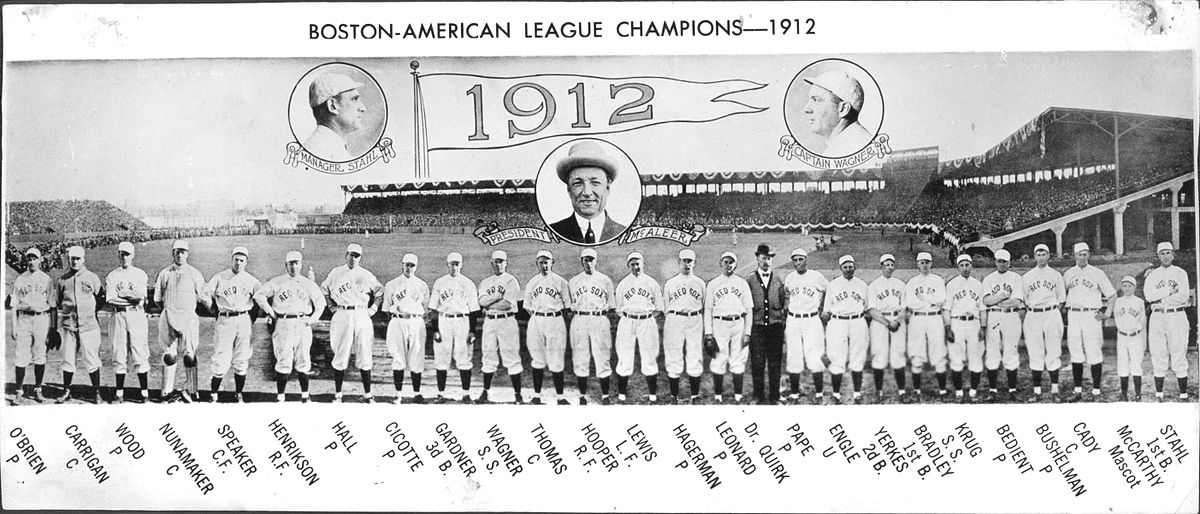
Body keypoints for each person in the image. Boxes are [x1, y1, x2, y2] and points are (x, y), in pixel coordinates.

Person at [254, 251, 326, 403]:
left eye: (296, 263)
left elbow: (321, 303)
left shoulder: (308, 283)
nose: (293, 266)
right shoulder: (277, 282)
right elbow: (259, 296)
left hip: (302, 323)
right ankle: (280, 397)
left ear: (300, 265)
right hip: (283, 323)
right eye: (290, 263)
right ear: (286, 265)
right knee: (283, 359)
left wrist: (312, 319)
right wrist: (271, 312)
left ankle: (305, 396)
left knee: (303, 358)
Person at [320, 243, 383, 403]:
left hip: (362, 313)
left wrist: (373, 309)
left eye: (357, 256)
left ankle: (368, 395)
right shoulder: (336, 273)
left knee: (364, 352)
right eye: (351, 255)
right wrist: (331, 306)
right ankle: (338, 394)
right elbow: (324, 290)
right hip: (342, 313)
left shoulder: (366, 274)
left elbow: (379, 292)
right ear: (345, 255)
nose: (353, 258)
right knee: (341, 353)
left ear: (360, 258)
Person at [154, 240, 211, 403]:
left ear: (187, 254)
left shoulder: (195, 273)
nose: (180, 255)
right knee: (169, 356)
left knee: (190, 356)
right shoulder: (164, 273)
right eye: (177, 252)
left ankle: (193, 391)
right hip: (169, 317)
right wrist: (171, 310)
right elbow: (157, 300)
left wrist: (204, 302)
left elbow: (204, 296)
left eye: (183, 252)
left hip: (189, 318)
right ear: (173, 253)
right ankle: (166, 391)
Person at [206, 246, 261, 403]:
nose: (238, 263)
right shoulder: (220, 277)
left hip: (243, 319)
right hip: (225, 319)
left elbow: (259, 299)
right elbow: (205, 295)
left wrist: (251, 319)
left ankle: (239, 394)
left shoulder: (251, 280)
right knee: (221, 357)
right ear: (231, 260)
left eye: (241, 260)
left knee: (242, 357)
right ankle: (214, 394)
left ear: (246, 262)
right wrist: (214, 311)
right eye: (236, 260)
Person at [547, 140, 629, 245]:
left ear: (607, 188)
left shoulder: (624, 234)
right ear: (568, 190)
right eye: (578, 183)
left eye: (595, 183)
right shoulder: (552, 233)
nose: (587, 192)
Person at [1062, 242, 1115, 402]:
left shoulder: (1097, 273)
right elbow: (1061, 296)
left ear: (1089, 255)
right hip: (1074, 315)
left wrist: (1107, 313)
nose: (1082, 257)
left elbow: (1112, 295)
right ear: (1075, 256)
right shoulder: (1068, 274)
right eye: (1080, 254)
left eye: (1085, 254)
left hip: (1091, 315)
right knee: (1076, 352)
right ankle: (1077, 390)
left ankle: (1096, 391)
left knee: (1093, 352)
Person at [53, 246, 105, 403]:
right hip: (69, 325)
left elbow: (101, 297)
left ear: (83, 260)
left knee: (91, 358)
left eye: (78, 258)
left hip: (89, 325)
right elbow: (58, 302)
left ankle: (96, 391)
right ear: (69, 259)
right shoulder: (63, 280)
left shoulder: (92, 277)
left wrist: (91, 311)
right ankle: (66, 390)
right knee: (68, 358)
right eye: (72, 258)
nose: (75, 261)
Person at [428, 252, 480, 403]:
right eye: (452, 263)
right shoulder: (440, 282)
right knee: (442, 357)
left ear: (461, 265)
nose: (455, 266)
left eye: (457, 264)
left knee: (464, 357)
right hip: (444, 320)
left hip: (463, 321)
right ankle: (441, 394)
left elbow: (474, 310)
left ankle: (466, 394)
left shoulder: (468, 283)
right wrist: (435, 329)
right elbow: (433, 308)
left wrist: (472, 331)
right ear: (447, 265)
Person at [613, 251, 664, 403]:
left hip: (647, 321)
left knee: (649, 355)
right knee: (624, 356)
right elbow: (618, 308)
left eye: (638, 264)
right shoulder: (623, 284)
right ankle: (621, 394)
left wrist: (645, 317)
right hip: (627, 321)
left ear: (643, 264)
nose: (636, 267)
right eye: (632, 264)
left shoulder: (651, 283)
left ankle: (653, 394)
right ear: (628, 266)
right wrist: (632, 317)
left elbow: (658, 307)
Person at [704, 251, 753, 403]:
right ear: (721, 264)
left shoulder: (742, 283)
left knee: (738, 358)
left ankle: (737, 394)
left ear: (735, 264)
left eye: (731, 262)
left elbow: (749, 309)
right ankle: (718, 395)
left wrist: (748, 332)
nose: (728, 265)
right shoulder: (713, 283)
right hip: (719, 323)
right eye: (725, 262)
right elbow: (708, 310)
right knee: (719, 357)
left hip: (739, 323)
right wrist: (708, 333)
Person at [524, 250, 572, 404]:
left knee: (556, 358)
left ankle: (560, 397)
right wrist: (538, 316)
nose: (544, 265)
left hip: (555, 319)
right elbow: (527, 306)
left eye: (547, 262)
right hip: (537, 319)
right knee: (537, 358)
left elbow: (567, 306)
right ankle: (537, 396)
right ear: (536, 264)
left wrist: (557, 320)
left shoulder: (560, 281)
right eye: (541, 262)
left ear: (552, 263)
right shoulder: (532, 281)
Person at [568, 248, 615, 405]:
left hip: (599, 318)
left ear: (596, 261)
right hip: (580, 319)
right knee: (580, 357)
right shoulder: (574, 281)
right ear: (581, 261)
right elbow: (569, 305)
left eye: (591, 259)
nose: (588, 263)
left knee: (602, 356)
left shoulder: (605, 280)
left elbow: (612, 305)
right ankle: (582, 396)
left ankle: (605, 395)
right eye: (585, 260)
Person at [1144, 242, 1190, 401]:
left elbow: (1183, 297)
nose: (1165, 256)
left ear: (1173, 254)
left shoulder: (1180, 273)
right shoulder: (1152, 274)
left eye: (1168, 253)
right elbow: (1148, 296)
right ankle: (1159, 394)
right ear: (1158, 256)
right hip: (1157, 316)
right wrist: (1169, 292)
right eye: (1162, 253)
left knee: (1179, 352)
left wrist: (1160, 297)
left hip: (1176, 316)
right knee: (1158, 352)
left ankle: (1183, 394)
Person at [8, 247, 55, 403]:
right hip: (24, 319)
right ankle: (19, 390)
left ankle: (38, 389)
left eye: (35, 258)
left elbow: (52, 305)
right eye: (29, 258)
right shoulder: (20, 279)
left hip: (41, 318)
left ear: (40, 260)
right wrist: (14, 326)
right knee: (21, 356)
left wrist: (52, 328)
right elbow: (14, 305)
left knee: (40, 355)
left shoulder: (46, 279)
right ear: (26, 260)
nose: (31, 261)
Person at [381, 253, 430, 403]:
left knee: (417, 356)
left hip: (416, 321)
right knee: (398, 357)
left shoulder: (422, 285)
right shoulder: (392, 284)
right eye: (407, 265)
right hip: (398, 321)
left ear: (416, 267)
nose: (409, 268)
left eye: (412, 265)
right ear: (401, 265)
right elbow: (386, 308)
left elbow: (426, 308)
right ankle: (398, 394)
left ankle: (417, 393)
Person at [105, 241, 150, 403]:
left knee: (139, 352)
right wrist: (130, 296)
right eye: (122, 254)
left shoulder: (140, 274)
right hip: (118, 316)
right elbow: (111, 300)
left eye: (127, 254)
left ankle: (144, 393)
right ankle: (119, 393)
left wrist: (123, 295)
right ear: (118, 254)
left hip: (136, 316)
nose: (124, 257)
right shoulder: (112, 275)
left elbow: (141, 297)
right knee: (119, 353)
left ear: (133, 255)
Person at [476, 251, 523, 404]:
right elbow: (481, 302)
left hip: (507, 321)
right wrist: (496, 298)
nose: (498, 264)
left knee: (511, 356)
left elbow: (508, 303)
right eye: (496, 261)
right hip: (489, 321)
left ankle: (518, 395)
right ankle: (485, 393)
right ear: (492, 263)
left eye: (501, 261)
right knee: (488, 355)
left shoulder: (511, 281)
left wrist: (490, 304)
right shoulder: (485, 281)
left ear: (506, 263)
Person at [822, 255, 870, 404]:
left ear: (855, 267)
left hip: (857, 320)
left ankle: (857, 393)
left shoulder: (862, 285)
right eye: (845, 267)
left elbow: (868, 309)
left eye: (851, 266)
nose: (848, 269)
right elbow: (826, 310)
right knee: (837, 357)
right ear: (840, 268)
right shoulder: (833, 285)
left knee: (858, 357)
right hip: (838, 322)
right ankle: (836, 394)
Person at [782, 247, 827, 403]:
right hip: (793, 319)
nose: (798, 262)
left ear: (806, 260)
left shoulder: (817, 276)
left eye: (801, 259)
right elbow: (787, 296)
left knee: (814, 356)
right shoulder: (789, 278)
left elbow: (829, 291)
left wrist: (824, 309)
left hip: (811, 319)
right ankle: (794, 393)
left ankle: (819, 393)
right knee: (793, 356)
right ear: (792, 262)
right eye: (795, 260)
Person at [1023, 244, 1067, 403]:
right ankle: (1037, 392)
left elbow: (1062, 299)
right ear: (1034, 256)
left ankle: (1055, 390)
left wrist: (1052, 311)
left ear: (1049, 256)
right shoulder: (1027, 276)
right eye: (1038, 254)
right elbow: (1024, 298)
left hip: (1051, 313)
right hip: (1033, 314)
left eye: (1044, 254)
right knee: (1035, 352)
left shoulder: (1055, 275)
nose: (1041, 257)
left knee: (1054, 350)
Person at [662, 249, 706, 403]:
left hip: (694, 319)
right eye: (684, 261)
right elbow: (666, 306)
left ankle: (694, 395)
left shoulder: (700, 283)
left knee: (694, 355)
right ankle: (674, 395)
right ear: (678, 263)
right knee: (674, 356)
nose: (687, 264)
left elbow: (704, 305)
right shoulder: (670, 283)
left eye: (690, 261)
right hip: (675, 319)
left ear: (694, 263)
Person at [981, 249, 1025, 401]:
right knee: (992, 351)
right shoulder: (988, 279)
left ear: (1009, 262)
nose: (1001, 264)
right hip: (993, 315)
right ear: (995, 262)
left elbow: (1017, 301)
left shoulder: (1016, 278)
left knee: (1011, 349)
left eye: (1004, 261)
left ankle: (1012, 389)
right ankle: (993, 390)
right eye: (999, 261)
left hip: (1011, 315)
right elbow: (986, 301)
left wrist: (996, 300)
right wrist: (1001, 297)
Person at [904, 252, 947, 402]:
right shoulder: (912, 282)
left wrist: (924, 300)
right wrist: (930, 302)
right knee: (917, 351)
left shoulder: (938, 280)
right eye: (922, 262)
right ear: (917, 264)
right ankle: (917, 390)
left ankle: (942, 389)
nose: (924, 265)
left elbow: (941, 300)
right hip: (917, 318)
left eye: (927, 262)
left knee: (938, 350)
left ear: (931, 264)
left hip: (935, 318)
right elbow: (911, 302)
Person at [746, 244, 786, 405]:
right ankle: (758, 396)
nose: (766, 262)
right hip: (757, 327)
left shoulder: (777, 279)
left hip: (775, 327)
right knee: (757, 363)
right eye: (763, 258)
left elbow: (782, 301)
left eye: (769, 258)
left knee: (775, 363)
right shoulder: (749, 280)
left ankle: (775, 396)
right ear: (757, 258)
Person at [943, 254, 987, 402]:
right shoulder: (951, 284)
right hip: (957, 322)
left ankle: (973, 390)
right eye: (961, 265)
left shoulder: (978, 284)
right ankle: (959, 391)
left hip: (974, 322)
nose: (965, 268)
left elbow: (982, 309)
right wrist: (948, 327)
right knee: (956, 356)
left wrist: (983, 327)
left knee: (976, 356)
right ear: (957, 267)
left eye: (967, 264)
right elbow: (947, 309)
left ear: (972, 266)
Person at [801, 70, 873, 157]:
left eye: (816, 100)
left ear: (843, 109)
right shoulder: (842, 146)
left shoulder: (851, 149)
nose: (807, 109)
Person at [866, 253, 906, 403]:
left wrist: (896, 321)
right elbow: (871, 309)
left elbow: (905, 307)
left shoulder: (901, 284)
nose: (889, 268)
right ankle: (879, 391)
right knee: (879, 354)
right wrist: (887, 323)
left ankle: (902, 391)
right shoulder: (874, 285)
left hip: (897, 320)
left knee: (898, 354)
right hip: (880, 321)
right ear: (881, 266)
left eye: (891, 265)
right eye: (886, 265)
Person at [303, 72, 367, 161]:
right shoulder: (317, 150)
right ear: (333, 106)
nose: (363, 108)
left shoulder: (331, 147)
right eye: (354, 99)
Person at [1110, 275, 1146, 402]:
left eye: (1130, 285)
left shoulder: (1139, 301)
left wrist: (1141, 337)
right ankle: (1124, 394)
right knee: (1123, 365)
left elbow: (1142, 321)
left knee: (1136, 364)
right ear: (1122, 287)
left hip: (1135, 336)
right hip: (1122, 336)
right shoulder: (1118, 301)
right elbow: (1117, 318)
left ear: (1134, 287)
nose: (1127, 288)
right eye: (1124, 285)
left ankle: (1137, 394)